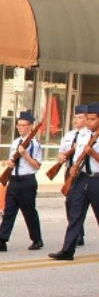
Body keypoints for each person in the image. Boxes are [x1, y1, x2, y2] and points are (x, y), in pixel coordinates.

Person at [49, 102, 99, 261]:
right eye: (88, 119)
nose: (88, 122)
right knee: (75, 214)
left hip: (97, 180)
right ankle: (67, 250)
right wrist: (74, 168)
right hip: (81, 178)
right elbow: (77, 156)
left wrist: (92, 153)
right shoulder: (84, 136)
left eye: (92, 119)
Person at [0, 111, 43, 252]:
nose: (20, 128)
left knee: (29, 212)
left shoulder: (35, 144)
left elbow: (37, 165)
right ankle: (2, 240)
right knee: (9, 212)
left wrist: (25, 155)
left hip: (27, 181)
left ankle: (37, 239)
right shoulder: (15, 142)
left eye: (23, 125)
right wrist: (9, 163)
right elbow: (11, 159)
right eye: (18, 125)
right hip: (14, 180)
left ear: (31, 126)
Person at [57, 105, 89, 248]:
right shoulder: (69, 135)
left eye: (80, 117)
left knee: (77, 205)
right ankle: (77, 234)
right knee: (70, 204)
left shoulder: (90, 135)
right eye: (75, 117)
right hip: (69, 172)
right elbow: (61, 152)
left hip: (82, 173)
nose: (76, 119)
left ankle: (76, 235)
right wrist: (61, 158)